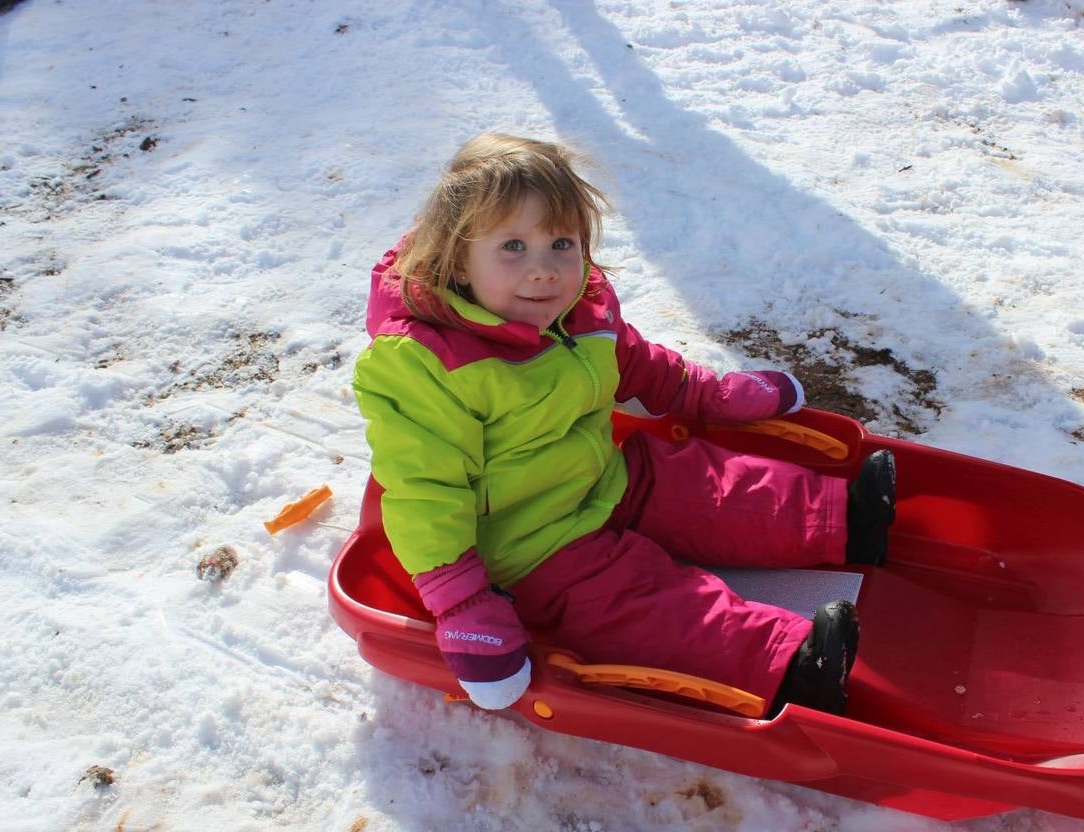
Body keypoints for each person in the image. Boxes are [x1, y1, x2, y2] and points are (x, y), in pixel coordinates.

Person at [353, 134, 896, 717]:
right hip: (531, 542)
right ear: (459, 260)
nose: (543, 270)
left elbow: (633, 362)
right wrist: (461, 606)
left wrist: (712, 396)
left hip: (604, 475)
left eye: (561, 242)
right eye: (513, 246)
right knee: (638, 604)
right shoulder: (426, 365)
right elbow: (424, 496)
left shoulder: (577, 306)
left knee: (705, 482)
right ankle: (790, 663)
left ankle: (846, 519)